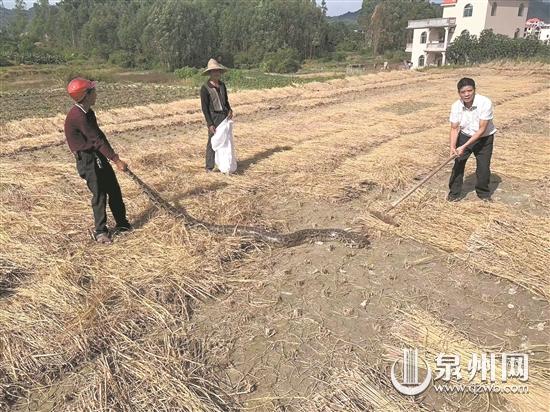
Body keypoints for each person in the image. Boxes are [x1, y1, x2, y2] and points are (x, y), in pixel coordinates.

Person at [64, 77, 131, 244]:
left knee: (114, 189)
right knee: (99, 194)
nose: (96, 94)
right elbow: (95, 140)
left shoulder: (88, 112)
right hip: (86, 159)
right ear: (86, 95)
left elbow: (100, 137)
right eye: (93, 91)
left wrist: (113, 156)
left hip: (97, 155)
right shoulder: (77, 116)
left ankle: (122, 224)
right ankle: (101, 232)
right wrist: (116, 160)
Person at [448, 77, 496, 202]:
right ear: (459, 93)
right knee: (458, 164)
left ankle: (483, 193)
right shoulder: (456, 106)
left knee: (483, 167)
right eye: (463, 92)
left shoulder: (485, 102)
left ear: (474, 90)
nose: (467, 94)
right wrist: (453, 147)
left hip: (484, 138)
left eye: (469, 91)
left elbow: (482, 129)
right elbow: (454, 128)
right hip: (464, 136)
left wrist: (463, 147)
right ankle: (454, 193)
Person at [200, 58, 233, 172]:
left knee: (225, 140)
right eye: (214, 71)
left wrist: (229, 110)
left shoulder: (222, 85)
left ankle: (224, 164)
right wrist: (210, 124)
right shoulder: (205, 88)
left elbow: (226, 101)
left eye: (218, 71)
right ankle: (209, 166)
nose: (216, 73)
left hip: (224, 116)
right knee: (212, 141)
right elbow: (204, 108)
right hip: (213, 117)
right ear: (210, 73)